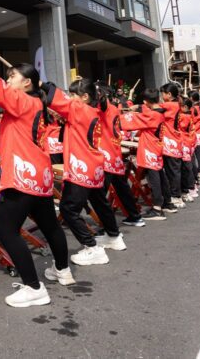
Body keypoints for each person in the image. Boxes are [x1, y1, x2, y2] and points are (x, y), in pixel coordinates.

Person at [0, 42, 71, 308]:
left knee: (7, 230)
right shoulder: (34, 105)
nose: (8, 80)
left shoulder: (22, 100)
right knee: (50, 226)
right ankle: (63, 271)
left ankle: (34, 287)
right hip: (39, 174)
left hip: (22, 175)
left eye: (13, 77)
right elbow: (16, 130)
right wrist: (1, 131)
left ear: (27, 83)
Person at [46, 78, 123, 263]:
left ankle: (92, 247)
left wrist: (42, 84)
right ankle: (114, 236)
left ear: (85, 97)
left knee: (68, 208)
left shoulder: (81, 109)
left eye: (73, 94)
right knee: (100, 202)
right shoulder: (92, 110)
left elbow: (56, 99)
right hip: (93, 165)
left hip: (82, 166)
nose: (70, 98)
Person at [95, 87, 145, 227]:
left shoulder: (102, 109)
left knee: (99, 194)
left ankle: (107, 227)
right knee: (122, 188)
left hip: (104, 154)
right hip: (114, 151)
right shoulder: (113, 108)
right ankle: (134, 216)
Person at [120, 89, 169, 221]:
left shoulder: (153, 115)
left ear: (146, 102)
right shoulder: (159, 112)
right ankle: (166, 202)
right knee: (159, 175)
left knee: (154, 178)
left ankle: (157, 208)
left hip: (150, 149)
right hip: (156, 146)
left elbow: (131, 120)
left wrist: (114, 118)